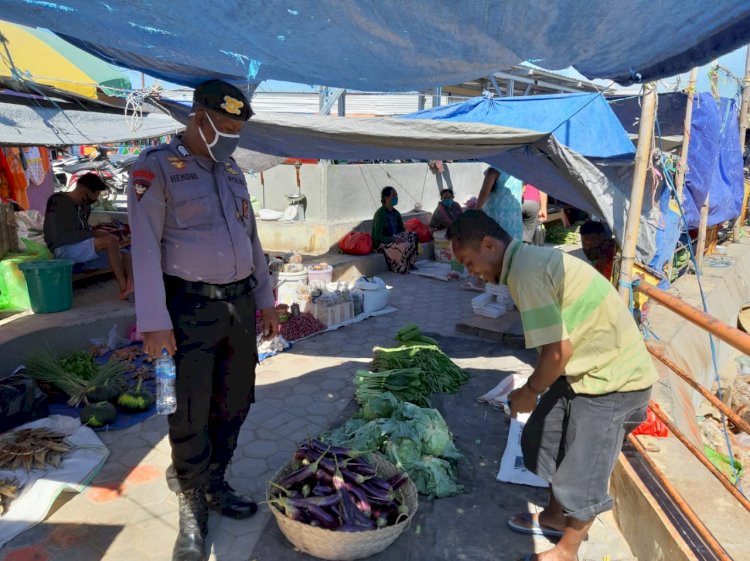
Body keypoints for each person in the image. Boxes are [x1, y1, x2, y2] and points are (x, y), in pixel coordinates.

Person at [127, 79, 280, 561]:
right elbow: (145, 247)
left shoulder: (233, 171)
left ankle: (215, 482)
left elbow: (251, 238)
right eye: (227, 126)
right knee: (188, 409)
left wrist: (267, 297)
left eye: (239, 128)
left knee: (236, 399)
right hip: (187, 309)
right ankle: (191, 506)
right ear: (199, 118)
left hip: (238, 307)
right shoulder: (157, 168)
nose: (233, 135)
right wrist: (154, 319)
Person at [450, 210, 656, 561]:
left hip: (614, 382)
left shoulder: (526, 273)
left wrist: (530, 390)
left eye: (470, 263)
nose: (472, 273)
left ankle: (567, 550)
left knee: (583, 468)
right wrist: (533, 390)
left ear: (488, 244)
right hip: (582, 371)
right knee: (543, 434)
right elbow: (559, 350)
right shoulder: (523, 265)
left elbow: (558, 351)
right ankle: (554, 516)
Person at [43, 172, 133, 299]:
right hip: (63, 248)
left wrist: (96, 232)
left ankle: (131, 286)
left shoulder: (84, 206)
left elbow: (83, 229)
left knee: (126, 253)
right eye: (95, 195)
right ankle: (123, 289)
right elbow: (60, 236)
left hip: (79, 247)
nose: (95, 200)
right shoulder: (58, 202)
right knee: (110, 241)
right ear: (84, 193)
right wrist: (92, 234)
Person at [371, 186, 419, 273]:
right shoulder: (380, 214)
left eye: (396, 195)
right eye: (393, 195)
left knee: (413, 236)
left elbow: (402, 231)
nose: (396, 197)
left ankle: (410, 263)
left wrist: (403, 237)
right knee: (402, 245)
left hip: (396, 239)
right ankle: (399, 266)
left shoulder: (396, 213)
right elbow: (377, 237)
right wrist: (393, 239)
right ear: (386, 198)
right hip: (383, 243)